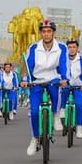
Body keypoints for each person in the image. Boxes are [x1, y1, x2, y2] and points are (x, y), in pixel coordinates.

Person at [23, 18, 69, 156]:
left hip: (54, 78)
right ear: (41, 33)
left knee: (56, 93)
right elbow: (28, 64)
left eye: (49, 31)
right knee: (34, 112)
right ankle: (35, 138)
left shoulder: (61, 47)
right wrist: (25, 79)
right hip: (37, 80)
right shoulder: (33, 48)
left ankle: (55, 116)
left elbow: (63, 64)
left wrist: (64, 78)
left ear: (53, 33)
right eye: (44, 31)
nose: (46, 34)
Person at [62, 38, 82, 139]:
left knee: (79, 104)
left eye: (74, 47)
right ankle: (61, 116)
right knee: (60, 102)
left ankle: (79, 127)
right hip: (66, 85)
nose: (72, 49)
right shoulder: (63, 58)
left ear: (77, 48)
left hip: (79, 86)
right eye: (69, 47)